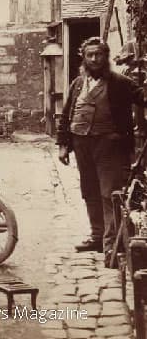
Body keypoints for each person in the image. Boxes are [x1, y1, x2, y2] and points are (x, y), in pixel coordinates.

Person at [57, 37, 144, 265]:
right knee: (90, 191)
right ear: (84, 58)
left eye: (99, 54)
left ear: (106, 57)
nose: (94, 59)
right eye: (90, 55)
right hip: (81, 143)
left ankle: (111, 245)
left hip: (109, 145)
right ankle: (96, 236)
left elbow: (142, 97)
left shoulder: (120, 82)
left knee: (110, 194)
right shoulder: (77, 83)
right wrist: (63, 144)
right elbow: (67, 114)